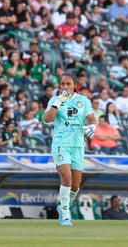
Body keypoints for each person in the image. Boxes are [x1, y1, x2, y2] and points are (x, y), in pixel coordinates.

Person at [43, 71, 96, 226]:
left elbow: (92, 118)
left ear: (74, 85)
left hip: (78, 145)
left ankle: (63, 206)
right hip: (61, 144)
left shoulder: (83, 101)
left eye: (68, 84)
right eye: (62, 84)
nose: (65, 87)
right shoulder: (55, 99)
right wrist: (58, 101)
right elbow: (47, 119)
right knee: (66, 178)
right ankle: (66, 215)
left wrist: (92, 126)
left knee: (75, 185)